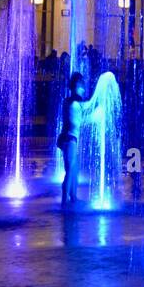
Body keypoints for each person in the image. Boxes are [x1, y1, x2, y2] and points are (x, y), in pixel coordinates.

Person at [57, 72, 92, 207]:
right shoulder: (75, 105)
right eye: (81, 85)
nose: (83, 89)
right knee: (70, 170)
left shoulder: (69, 102)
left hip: (67, 139)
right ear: (76, 86)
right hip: (70, 140)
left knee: (74, 169)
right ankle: (65, 201)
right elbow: (78, 122)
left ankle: (72, 197)